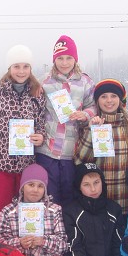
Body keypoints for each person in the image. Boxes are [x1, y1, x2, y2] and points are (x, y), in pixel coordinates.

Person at [0, 44, 46, 230]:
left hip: (26, 167)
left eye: (25, 66)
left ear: (31, 68)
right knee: (0, 214)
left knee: (25, 216)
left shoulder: (37, 94)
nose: (21, 71)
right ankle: (0, 255)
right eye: (16, 66)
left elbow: (41, 124)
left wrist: (40, 137)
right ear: (9, 68)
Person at [38, 35, 96, 207]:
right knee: (50, 198)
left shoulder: (85, 81)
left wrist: (84, 114)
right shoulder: (43, 81)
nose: (64, 62)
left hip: (72, 152)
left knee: (70, 197)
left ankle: (70, 232)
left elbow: (93, 106)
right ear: (54, 60)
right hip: (47, 149)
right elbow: (35, 111)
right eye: (60, 58)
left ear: (75, 59)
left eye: (69, 58)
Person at [74, 78, 128, 216]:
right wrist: (91, 131)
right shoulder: (89, 127)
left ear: (120, 100)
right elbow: (79, 161)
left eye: (113, 96)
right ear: (97, 101)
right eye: (103, 96)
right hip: (100, 203)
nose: (109, 100)